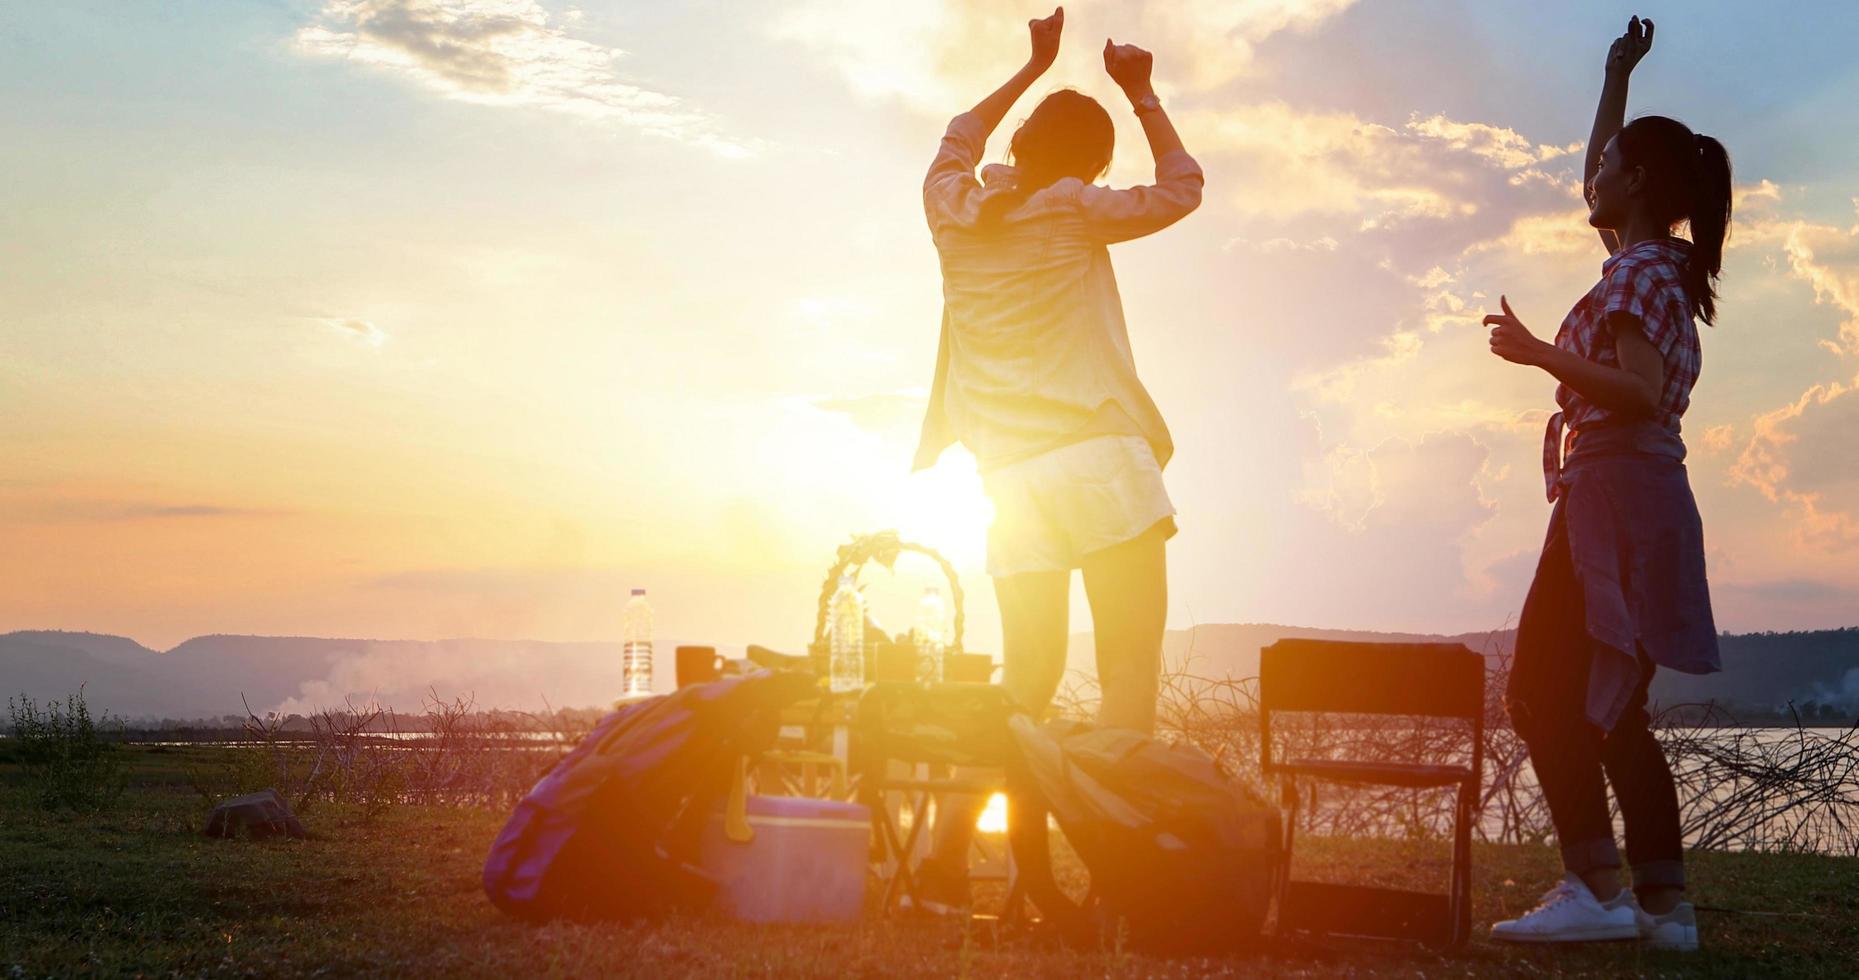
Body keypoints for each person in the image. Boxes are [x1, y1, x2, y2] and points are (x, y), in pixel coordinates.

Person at [906, 6, 1203, 914]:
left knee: (1022, 685)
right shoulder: (1075, 208)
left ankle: (947, 855)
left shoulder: (954, 211)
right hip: (1100, 468)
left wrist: (1028, 68)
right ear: (1093, 164)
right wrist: (1144, 94)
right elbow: (1183, 188)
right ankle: (1124, 876)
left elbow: (958, 136)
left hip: (1013, 483)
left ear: (1022, 141)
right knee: (1125, 673)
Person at [1483, 16, 1728, 953]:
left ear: (1634, 185)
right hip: (1645, 495)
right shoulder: (1656, 264)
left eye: (1609, 166)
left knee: (1539, 695)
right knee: (1611, 703)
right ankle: (1666, 911)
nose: (1592, 175)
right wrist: (1613, 77)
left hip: (1612, 492)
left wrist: (1537, 353)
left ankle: (1592, 885)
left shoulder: (1633, 277)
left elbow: (1633, 390)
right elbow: (1598, 168)